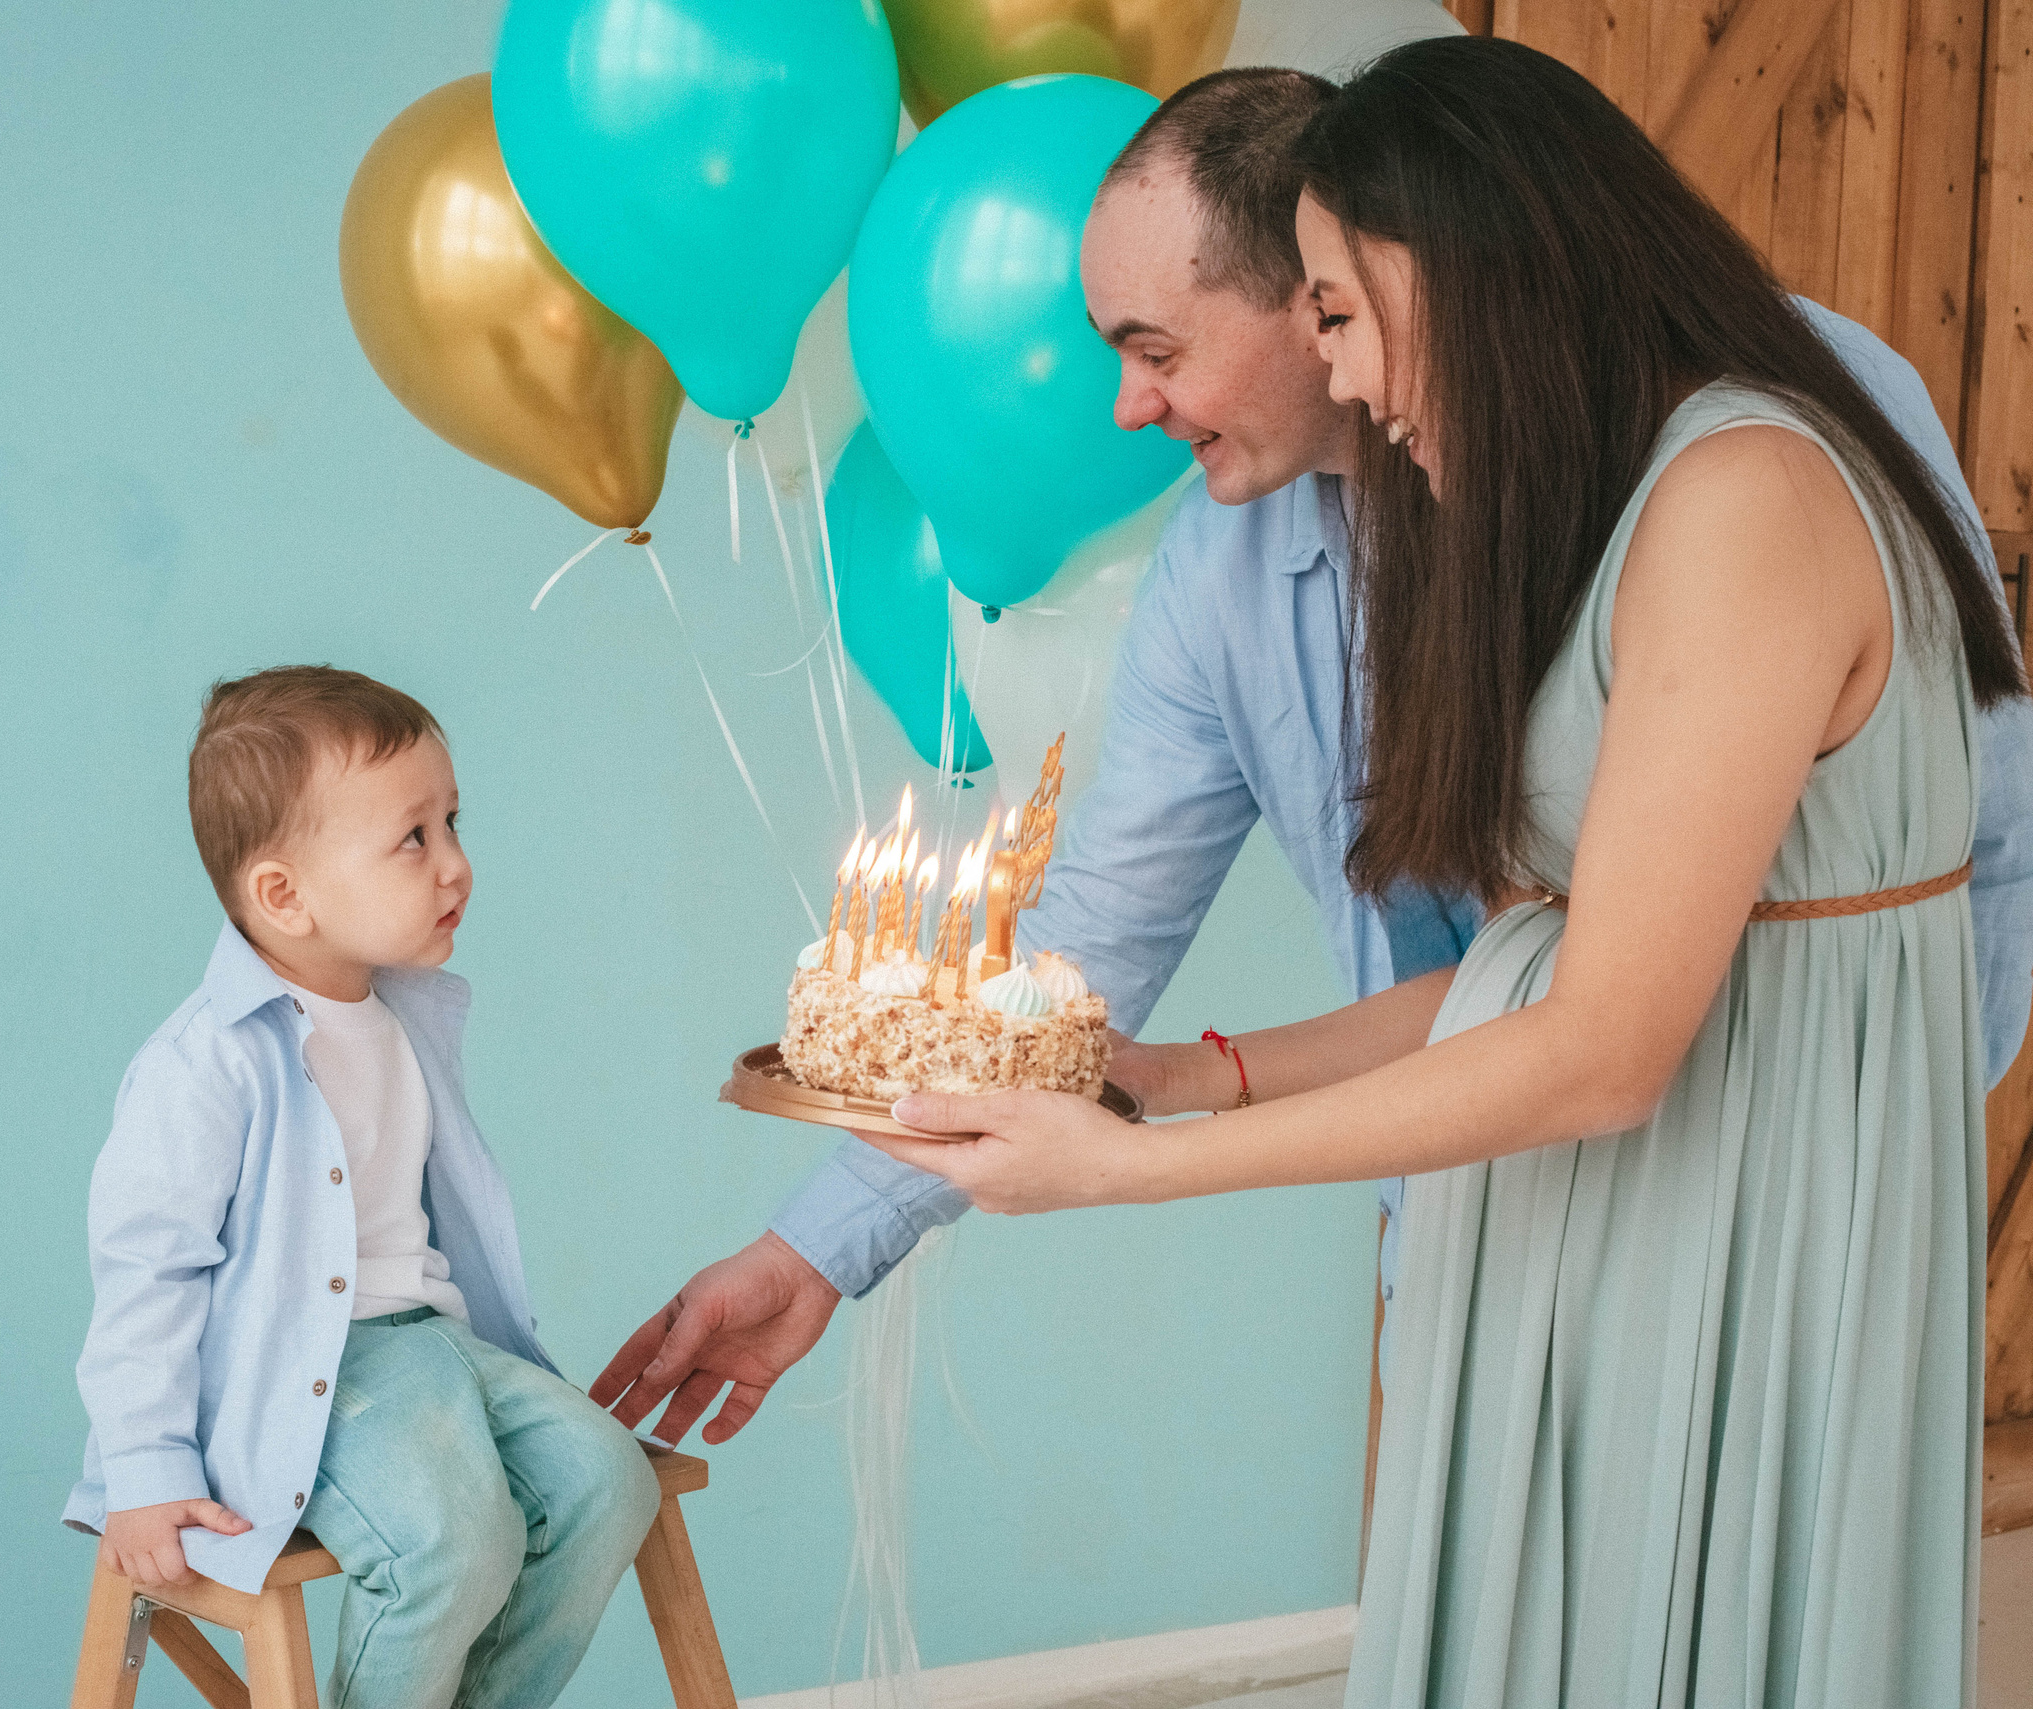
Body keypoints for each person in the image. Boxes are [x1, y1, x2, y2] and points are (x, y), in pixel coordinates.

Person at [591, 66, 2033, 1451]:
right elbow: (1090, 942)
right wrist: (813, 1251)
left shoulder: (1755, 436)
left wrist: (1863, 1157)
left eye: (1158, 348)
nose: (1128, 408)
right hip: (1453, 1206)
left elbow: (1967, 827)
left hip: (1766, 1202)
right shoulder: (1219, 577)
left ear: (1323, 292)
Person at [848, 35, 2022, 1703]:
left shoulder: (1745, 491)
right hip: (1598, 1211)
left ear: (1470, 264)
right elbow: (1539, 954)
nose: (1349, 372)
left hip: (1738, 1218)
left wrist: (1130, 1172)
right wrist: (1187, 1076)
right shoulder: (1609, 503)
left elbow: (1606, 1041)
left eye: (1339, 311)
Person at [62, 666, 660, 1709]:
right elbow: (145, 1269)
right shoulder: (206, 1062)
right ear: (283, 894)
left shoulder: (402, 1011)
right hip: (307, 1373)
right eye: (413, 838)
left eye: (453, 822)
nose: (456, 864)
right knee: (453, 1540)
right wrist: (147, 1464)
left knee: (610, 1482)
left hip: (431, 1341)